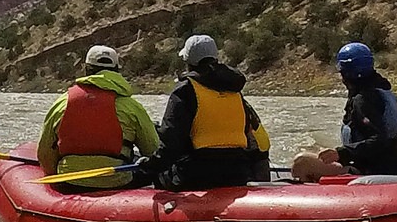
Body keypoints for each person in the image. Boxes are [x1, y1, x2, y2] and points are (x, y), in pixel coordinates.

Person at [149, 34, 272, 190]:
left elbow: (170, 146)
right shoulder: (235, 91)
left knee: (159, 176)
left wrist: (148, 167)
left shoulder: (185, 91)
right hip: (237, 175)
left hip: (196, 175)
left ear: (188, 62)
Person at [37, 45, 160, 189]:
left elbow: (44, 152)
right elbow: (153, 151)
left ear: (87, 69)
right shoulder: (132, 107)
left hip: (70, 180)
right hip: (117, 181)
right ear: (116, 71)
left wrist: (53, 177)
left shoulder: (62, 103)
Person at [291, 42, 397, 182]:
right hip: (388, 165)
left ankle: (318, 198)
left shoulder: (364, 100)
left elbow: (380, 140)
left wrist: (342, 153)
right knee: (313, 149)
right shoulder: (379, 90)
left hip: (372, 171)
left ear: (347, 73)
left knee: (301, 163)